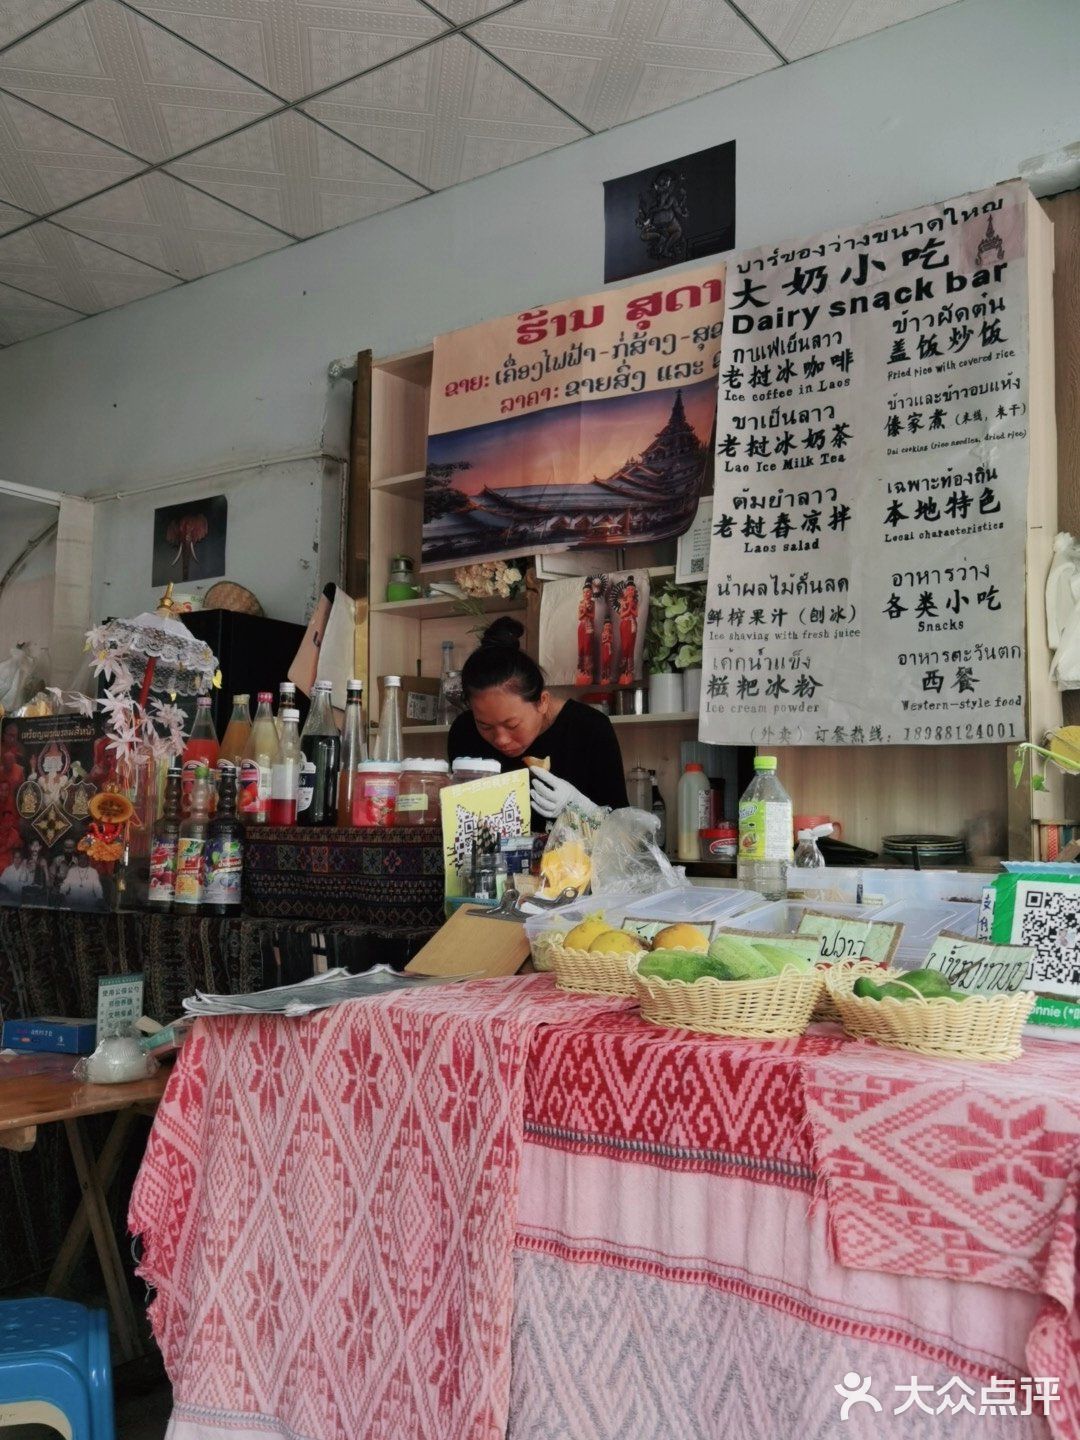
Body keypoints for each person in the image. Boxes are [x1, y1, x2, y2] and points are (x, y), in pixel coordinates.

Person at [448, 618, 628, 830]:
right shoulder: (464, 732)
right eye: (485, 726)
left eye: (512, 725)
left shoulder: (589, 729)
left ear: (542, 702)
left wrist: (582, 808)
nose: (501, 740)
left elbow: (625, 837)